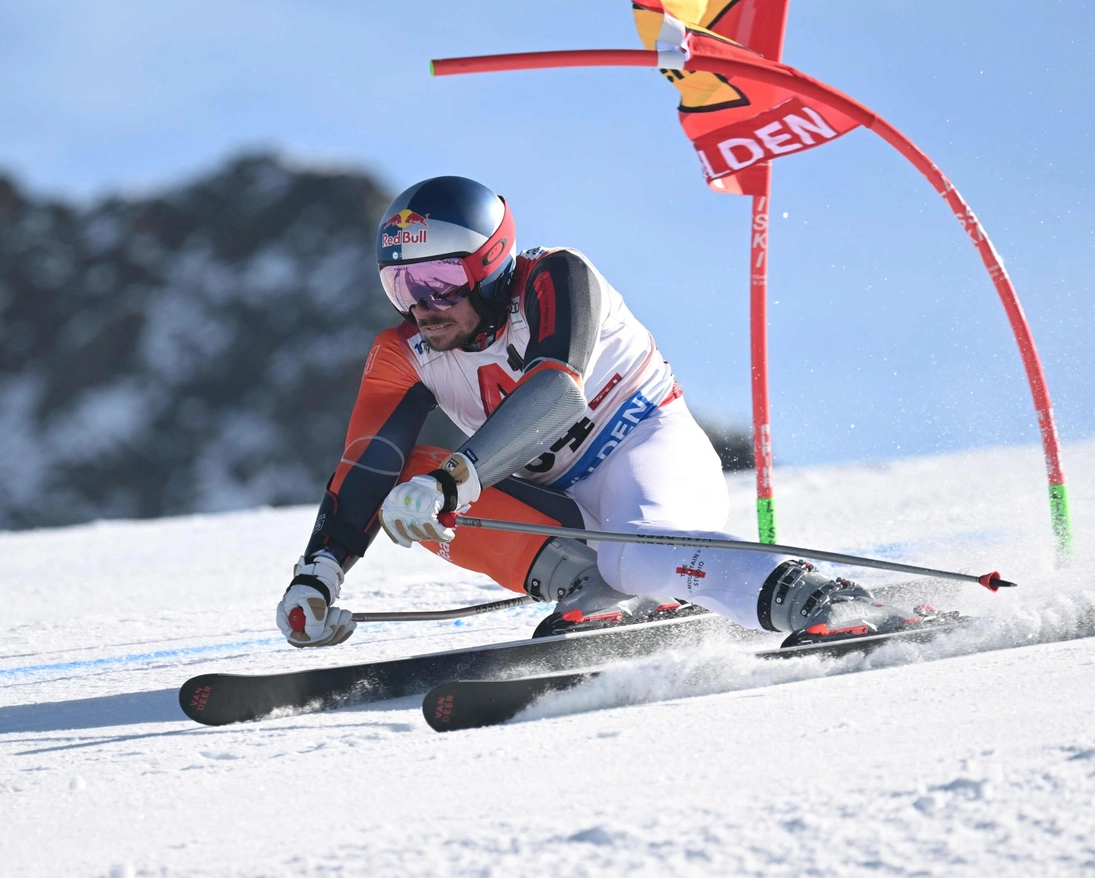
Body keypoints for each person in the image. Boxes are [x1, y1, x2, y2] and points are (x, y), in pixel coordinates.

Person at [275, 176, 914, 647]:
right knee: (408, 476)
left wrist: (450, 483)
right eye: (402, 286)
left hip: (643, 448)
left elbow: (556, 390)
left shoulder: (555, 277)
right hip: (558, 501)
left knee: (635, 552)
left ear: (492, 265)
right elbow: (368, 462)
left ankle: (823, 598)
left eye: (439, 281)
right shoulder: (405, 351)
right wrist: (319, 574)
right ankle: (593, 591)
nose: (423, 305)